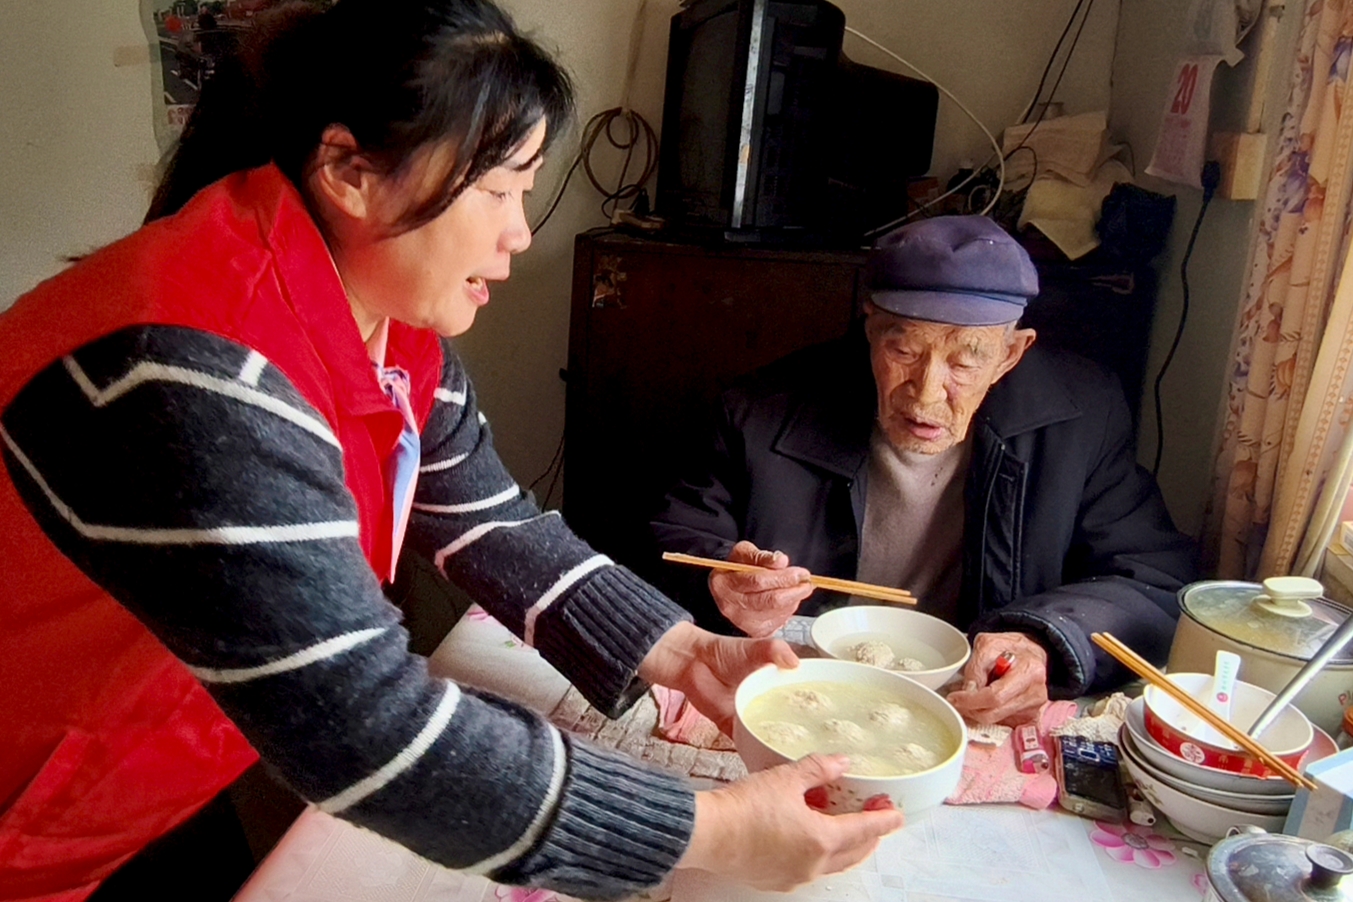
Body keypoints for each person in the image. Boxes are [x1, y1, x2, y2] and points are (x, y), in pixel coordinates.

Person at [0, 3, 903, 900]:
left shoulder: (383, 325)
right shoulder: (184, 372)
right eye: (499, 189)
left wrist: (684, 651)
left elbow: (493, 527)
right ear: (350, 172)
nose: (521, 232)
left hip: (139, 758)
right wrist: (710, 833)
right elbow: (361, 723)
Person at [650, 215, 1198, 726]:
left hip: (965, 702)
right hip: (807, 680)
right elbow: (672, 544)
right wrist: (721, 582)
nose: (927, 393)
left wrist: (1046, 642)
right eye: (905, 351)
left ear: (1011, 354)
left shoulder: (1083, 416)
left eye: (966, 360)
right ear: (871, 327)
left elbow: (1150, 579)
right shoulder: (761, 410)